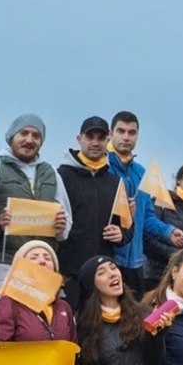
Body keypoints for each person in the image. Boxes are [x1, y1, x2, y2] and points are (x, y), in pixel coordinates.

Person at [59, 117, 134, 306]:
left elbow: (127, 227)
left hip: (102, 277)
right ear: (79, 139)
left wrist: (121, 234)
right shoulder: (60, 176)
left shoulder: (115, 183)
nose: (95, 142)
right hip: (68, 275)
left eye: (100, 138)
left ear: (107, 140)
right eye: (90, 137)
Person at [103, 112, 181, 291]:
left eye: (131, 132)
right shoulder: (102, 166)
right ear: (110, 133)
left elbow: (147, 218)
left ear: (137, 136)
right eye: (121, 131)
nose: (126, 137)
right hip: (109, 259)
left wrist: (168, 232)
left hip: (135, 263)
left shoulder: (141, 172)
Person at [0, 114, 72, 271]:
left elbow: (66, 220)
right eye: (23, 133)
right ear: (11, 137)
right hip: (4, 263)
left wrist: (61, 228)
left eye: (36, 136)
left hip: (42, 265)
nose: (29, 140)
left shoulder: (51, 173)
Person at [143, 162, 183, 283]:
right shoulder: (160, 202)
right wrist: (177, 256)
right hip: (157, 277)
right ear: (179, 179)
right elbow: (146, 239)